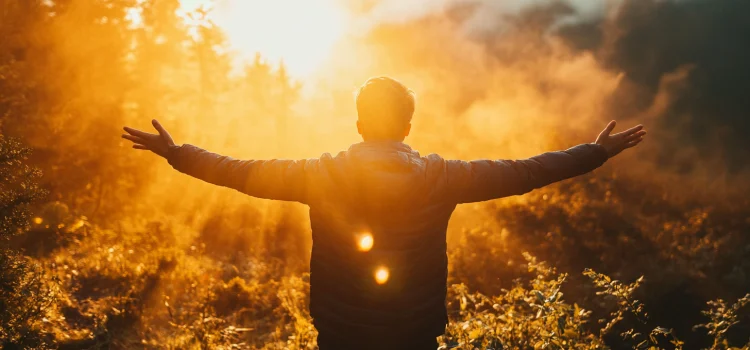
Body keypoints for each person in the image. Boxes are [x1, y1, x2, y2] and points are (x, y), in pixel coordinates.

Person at [122, 76, 646, 349]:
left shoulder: (318, 174)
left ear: (357, 123)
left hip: (342, 334)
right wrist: (594, 152)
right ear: (409, 127)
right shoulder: (443, 178)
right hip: (413, 335)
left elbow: (239, 171)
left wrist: (178, 154)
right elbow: (525, 171)